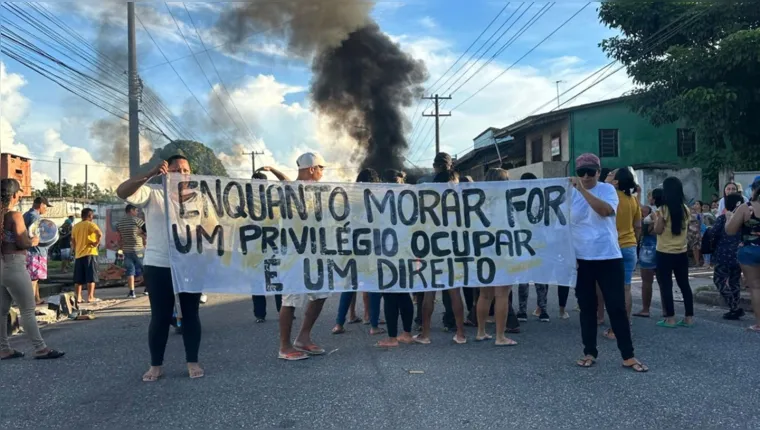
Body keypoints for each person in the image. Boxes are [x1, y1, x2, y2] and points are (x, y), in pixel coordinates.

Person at [116, 155, 205, 381]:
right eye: (175, 169)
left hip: (190, 264)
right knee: (160, 316)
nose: (181, 173)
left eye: (185, 169)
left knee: (191, 314)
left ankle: (192, 361)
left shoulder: (200, 199)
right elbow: (122, 192)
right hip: (158, 264)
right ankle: (156, 365)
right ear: (165, 172)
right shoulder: (152, 194)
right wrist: (149, 174)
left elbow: (211, 228)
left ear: (190, 173)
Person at [570, 153, 647, 372]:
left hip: (608, 256)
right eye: (581, 172)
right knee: (587, 307)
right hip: (582, 258)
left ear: (598, 171)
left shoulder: (607, 190)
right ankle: (589, 352)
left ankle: (628, 355)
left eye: (591, 172)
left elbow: (605, 211)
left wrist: (582, 191)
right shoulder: (568, 194)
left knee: (616, 306)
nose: (586, 176)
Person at [261, 152, 331, 361]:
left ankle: (303, 337)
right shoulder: (289, 191)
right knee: (290, 299)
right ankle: (284, 346)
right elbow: (287, 184)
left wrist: (274, 170)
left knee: (321, 294)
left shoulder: (316, 191)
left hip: (315, 253)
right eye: (321, 168)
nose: (322, 172)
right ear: (312, 169)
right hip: (292, 255)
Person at [0, 179, 65, 360]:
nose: (20, 195)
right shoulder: (14, 216)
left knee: (2, 311)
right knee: (27, 310)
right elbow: (21, 242)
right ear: (13, 195)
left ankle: (3, 348)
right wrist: (33, 241)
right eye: (19, 192)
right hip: (14, 265)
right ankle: (40, 348)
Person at [414, 169, 467, 345]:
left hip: (432, 251)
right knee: (455, 292)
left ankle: (425, 334)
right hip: (452, 251)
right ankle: (460, 334)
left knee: (429, 292)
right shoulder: (458, 203)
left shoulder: (429, 204)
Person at [333, 168, 384, 336]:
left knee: (349, 286)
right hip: (370, 250)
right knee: (374, 286)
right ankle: (374, 326)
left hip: (352, 249)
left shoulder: (351, 200)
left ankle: (339, 324)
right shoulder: (376, 200)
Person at [475, 168, 517, 346]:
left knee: (484, 295)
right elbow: (515, 227)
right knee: (502, 295)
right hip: (504, 252)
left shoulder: (480, 203)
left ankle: (481, 331)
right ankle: (500, 336)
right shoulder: (507, 203)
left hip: (484, 252)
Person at [376, 169, 415, 348]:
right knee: (404, 294)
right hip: (406, 253)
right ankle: (407, 333)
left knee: (390, 295)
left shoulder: (379, 203)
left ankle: (392, 338)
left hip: (387, 254)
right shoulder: (409, 201)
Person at [602, 168, 641, 340]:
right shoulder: (633, 200)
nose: (608, 175)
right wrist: (634, 241)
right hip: (630, 245)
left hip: (613, 247)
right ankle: (626, 323)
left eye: (611, 174)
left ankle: (615, 329)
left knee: (613, 291)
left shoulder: (610, 196)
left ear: (616, 182)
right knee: (626, 288)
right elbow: (638, 225)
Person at [653, 176, 694, 328]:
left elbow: (658, 230)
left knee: (666, 285)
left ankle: (670, 318)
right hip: (681, 252)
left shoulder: (663, 209)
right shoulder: (685, 209)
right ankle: (689, 317)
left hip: (664, 252)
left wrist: (657, 219)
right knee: (684, 285)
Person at [725, 176, 760, 332]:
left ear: (753, 189)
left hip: (749, 251)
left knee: (756, 288)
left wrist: (729, 218)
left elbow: (730, 230)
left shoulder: (746, 207)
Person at [249, 172, 282, 323]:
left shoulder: (273, 202)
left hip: (271, 247)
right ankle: (260, 314)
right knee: (257, 282)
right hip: (255, 249)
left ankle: (282, 311)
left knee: (276, 279)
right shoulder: (247, 203)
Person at [710, 193, 744, 320]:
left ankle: (734, 307)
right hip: (738, 255)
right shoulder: (744, 220)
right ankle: (735, 306)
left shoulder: (723, 218)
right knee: (734, 282)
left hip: (723, 255)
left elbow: (713, 233)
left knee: (719, 280)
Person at [634, 188, 663, 318]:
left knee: (647, 280)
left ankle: (646, 309)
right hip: (663, 246)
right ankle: (667, 310)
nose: (649, 199)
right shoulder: (670, 210)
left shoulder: (655, 213)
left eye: (650, 196)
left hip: (648, 246)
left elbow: (647, 227)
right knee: (663, 280)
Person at [23, 196, 52, 305]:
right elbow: (33, 234)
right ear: (41, 205)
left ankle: (36, 299)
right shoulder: (34, 217)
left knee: (34, 278)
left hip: (30, 251)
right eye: (46, 206)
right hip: (35, 252)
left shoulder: (26, 215)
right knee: (33, 279)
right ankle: (30, 302)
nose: (46, 209)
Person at [71, 208, 102, 304]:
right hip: (90, 253)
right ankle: (90, 297)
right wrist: (96, 243)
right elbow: (99, 233)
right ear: (90, 216)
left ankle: (78, 297)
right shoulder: (91, 224)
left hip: (79, 254)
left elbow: (73, 241)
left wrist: (75, 250)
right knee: (91, 277)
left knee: (78, 278)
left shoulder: (75, 226)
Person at [116, 204, 146, 299]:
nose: (137, 212)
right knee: (144, 269)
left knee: (130, 271)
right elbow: (146, 230)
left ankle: (132, 292)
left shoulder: (120, 222)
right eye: (136, 210)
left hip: (126, 250)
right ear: (131, 210)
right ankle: (148, 289)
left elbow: (120, 236)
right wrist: (141, 235)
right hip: (138, 249)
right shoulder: (137, 220)